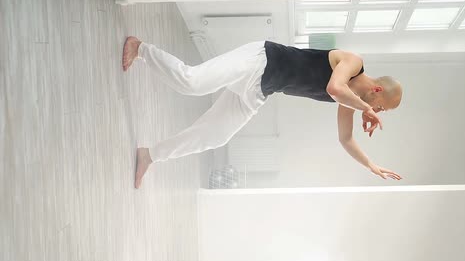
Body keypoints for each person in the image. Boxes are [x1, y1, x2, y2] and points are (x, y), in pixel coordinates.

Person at [122, 36, 403, 189]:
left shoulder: (350, 99)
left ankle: (150, 155)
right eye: (382, 108)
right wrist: (365, 108)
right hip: (260, 60)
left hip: (261, 89)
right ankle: (142, 49)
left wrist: (370, 165)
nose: (377, 112)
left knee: (216, 136)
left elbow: (346, 139)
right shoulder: (354, 62)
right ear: (377, 91)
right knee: (192, 82)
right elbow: (333, 87)